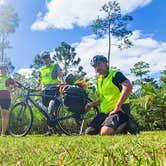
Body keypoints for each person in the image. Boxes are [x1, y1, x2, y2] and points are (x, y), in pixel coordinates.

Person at [85, 55, 132, 135]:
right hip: (105, 113)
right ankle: (114, 126)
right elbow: (102, 98)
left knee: (105, 133)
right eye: (94, 66)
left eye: (99, 64)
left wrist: (117, 107)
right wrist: (91, 104)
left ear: (106, 63)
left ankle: (128, 122)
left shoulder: (115, 74)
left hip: (118, 110)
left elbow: (128, 87)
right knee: (89, 132)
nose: (97, 68)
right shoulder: (99, 80)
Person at [36, 51, 65, 136]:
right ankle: (49, 131)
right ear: (42, 60)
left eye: (47, 57)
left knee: (53, 109)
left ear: (50, 58)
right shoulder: (41, 69)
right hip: (45, 91)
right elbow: (42, 82)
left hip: (54, 90)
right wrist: (37, 89)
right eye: (44, 58)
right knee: (46, 112)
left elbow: (60, 75)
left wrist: (63, 83)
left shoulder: (55, 65)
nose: (46, 59)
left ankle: (56, 130)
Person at [0, 65, 16, 136]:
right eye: (2, 69)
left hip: (6, 97)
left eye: (5, 69)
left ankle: (3, 132)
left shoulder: (9, 78)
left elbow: (15, 86)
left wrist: (12, 91)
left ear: (7, 70)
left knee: (4, 115)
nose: (4, 70)